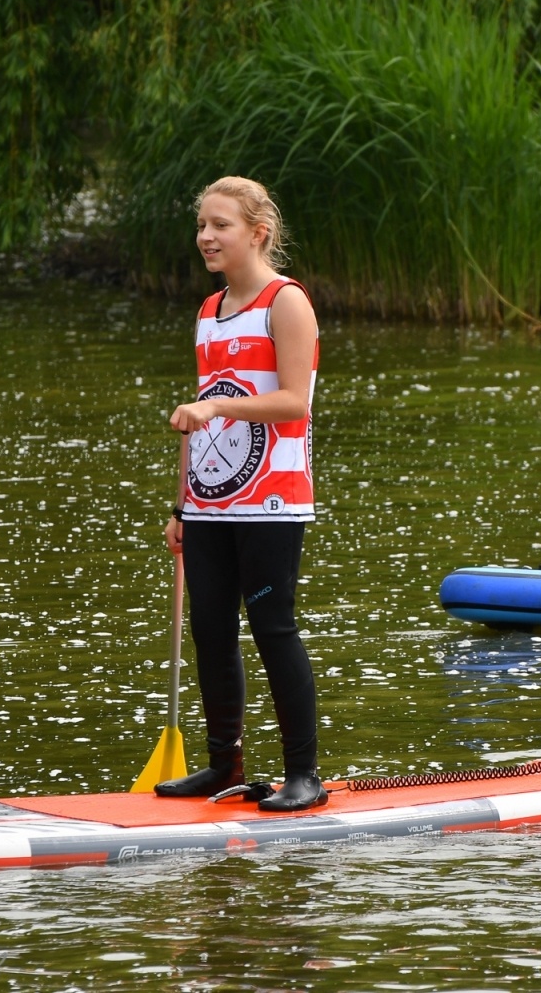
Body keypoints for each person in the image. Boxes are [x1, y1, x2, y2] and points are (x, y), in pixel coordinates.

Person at [155, 176, 327, 812]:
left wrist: (220, 405)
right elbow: (202, 419)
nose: (205, 236)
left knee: (273, 628)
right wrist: (181, 505)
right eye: (201, 225)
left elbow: (293, 406)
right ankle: (224, 765)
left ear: (257, 232)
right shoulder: (209, 310)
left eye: (219, 225)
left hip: (273, 500)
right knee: (211, 631)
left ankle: (303, 775)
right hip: (208, 504)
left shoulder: (286, 303)